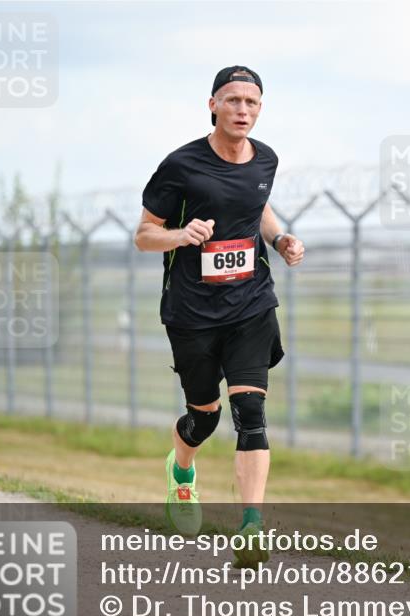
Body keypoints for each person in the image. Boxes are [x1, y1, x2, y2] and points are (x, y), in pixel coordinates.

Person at [134, 65, 304, 567]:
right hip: (192, 312)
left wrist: (280, 239)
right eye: (233, 101)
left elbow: (258, 205)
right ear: (213, 105)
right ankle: (181, 470)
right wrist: (181, 235)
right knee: (204, 419)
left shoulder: (266, 159)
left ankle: (251, 526)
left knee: (251, 414)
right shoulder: (181, 165)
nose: (242, 111)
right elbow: (144, 234)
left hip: (251, 304)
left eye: (251, 103)